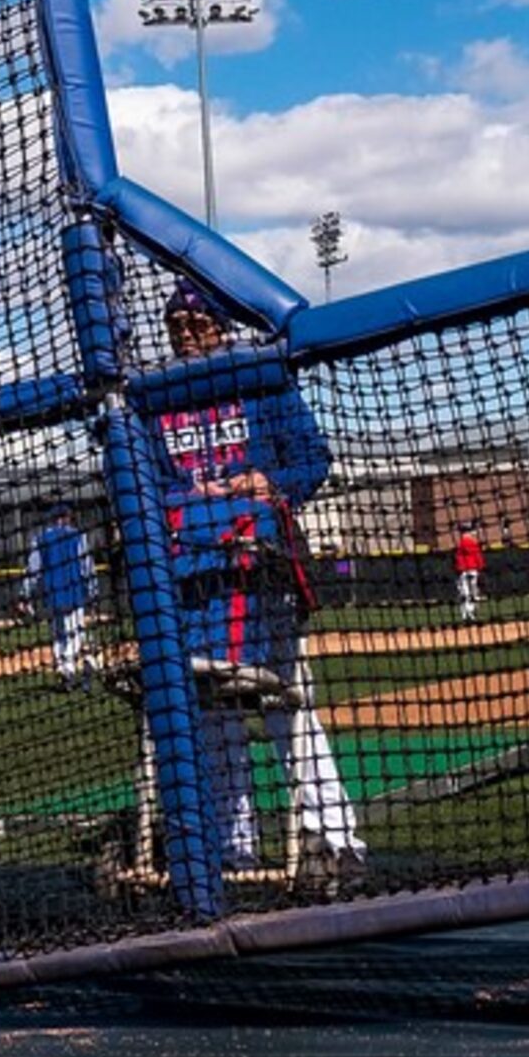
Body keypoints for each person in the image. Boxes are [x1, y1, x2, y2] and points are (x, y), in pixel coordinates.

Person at [151, 281, 366, 885]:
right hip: (193, 580)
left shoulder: (262, 381)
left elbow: (312, 460)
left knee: (287, 706)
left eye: (200, 325)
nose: (189, 335)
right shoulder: (155, 396)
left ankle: (337, 840)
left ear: (222, 326)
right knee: (212, 714)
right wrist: (192, 494)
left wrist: (267, 483)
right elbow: (139, 481)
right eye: (178, 326)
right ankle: (232, 850)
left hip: (261, 573)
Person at [19, 504, 96, 689]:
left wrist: (25, 594)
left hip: (52, 593)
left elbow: (33, 569)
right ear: (67, 517)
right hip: (74, 591)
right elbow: (87, 566)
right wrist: (93, 591)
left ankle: (64, 670)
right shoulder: (78, 536)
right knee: (75, 634)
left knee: (58, 635)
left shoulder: (41, 538)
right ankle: (68, 668)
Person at [451, 521, 485, 622]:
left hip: (463, 571)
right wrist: (481, 567)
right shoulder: (472, 542)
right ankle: (471, 613)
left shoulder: (460, 544)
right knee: (472, 592)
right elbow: (478, 556)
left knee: (464, 593)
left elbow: (456, 559)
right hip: (472, 569)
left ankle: (466, 614)